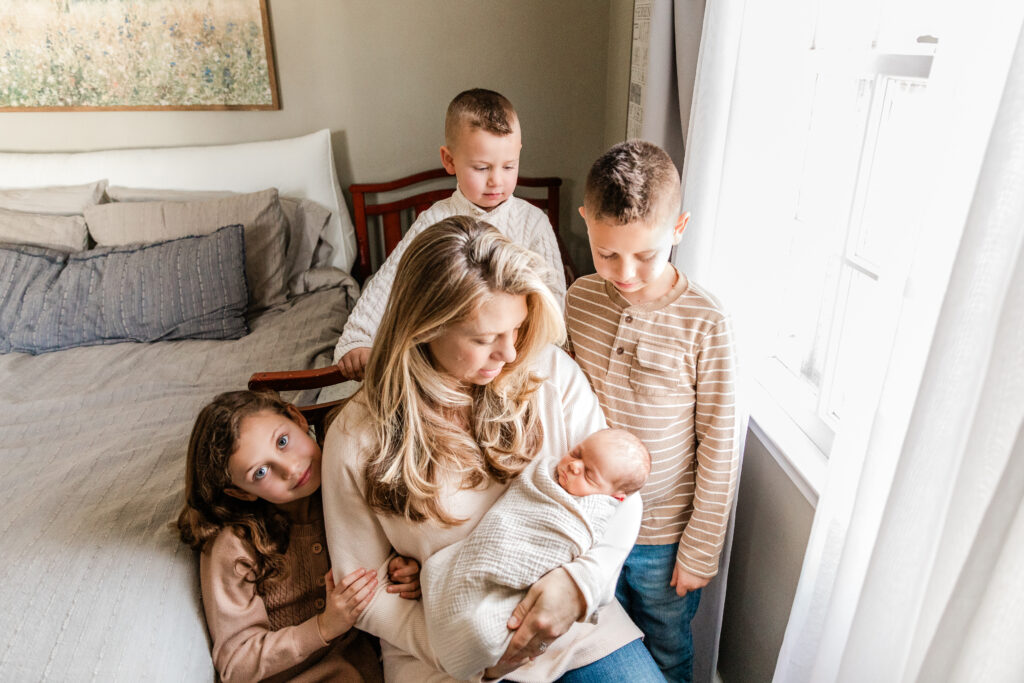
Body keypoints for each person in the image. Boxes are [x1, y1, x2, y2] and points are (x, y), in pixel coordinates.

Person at [322, 216, 665, 682]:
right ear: (423, 329)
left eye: (518, 328)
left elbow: (619, 497)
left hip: (572, 629)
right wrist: (464, 651)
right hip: (441, 652)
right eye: (484, 339)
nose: (508, 353)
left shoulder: (547, 372)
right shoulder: (356, 437)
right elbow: (362, 591)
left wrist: (580, 586)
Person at [565, 140, 739, 683]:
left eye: (645, 255)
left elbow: (721, 439)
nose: (626, 272)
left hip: (665, 538)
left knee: (667, 645)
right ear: (585, 222)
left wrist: (701, 546)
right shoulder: (579, 298)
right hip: (591, 519)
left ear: (678, 228)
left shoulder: (704, 321)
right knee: (595, 633)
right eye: (606, 253)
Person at [176, 389, 419, 683]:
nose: (290, 469)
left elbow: (390, 555)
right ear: (241, 493)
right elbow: (236, 664)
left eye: (282, 441)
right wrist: (324, 627)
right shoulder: (234, 544)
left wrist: (404, 572)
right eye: (261, 472)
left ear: (297, 418)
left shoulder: (350, 484)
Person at [334, 87, 567, 381]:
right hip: (449, 359)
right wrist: (360, 336)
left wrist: (529, 349)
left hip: (512, 356)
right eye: (481, 168)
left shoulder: (533, 222)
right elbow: (392, 281)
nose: (497, 180)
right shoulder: (433, 220)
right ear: (449, 160)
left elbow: (554, 301)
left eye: (509, 166)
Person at [420, 428, 652, 679]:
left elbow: (629, 501)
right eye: (576, 454)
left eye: (589, 475)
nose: (574, 466)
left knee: (485, 633)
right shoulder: (544, 474)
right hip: (443, 625)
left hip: (578, 633)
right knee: (464, 611)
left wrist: (579, 585)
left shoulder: (592, 514)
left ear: (612, 497)